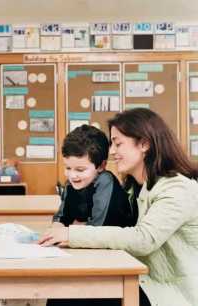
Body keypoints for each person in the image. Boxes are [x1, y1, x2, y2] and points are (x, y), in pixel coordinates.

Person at [39, 108, 198, 306]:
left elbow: (143, 239)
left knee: (69, 298)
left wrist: (72, 234)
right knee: (63, 292)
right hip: (137, 278)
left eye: (118, 143)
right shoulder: (134, 187)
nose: (112, 151)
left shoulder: (177, 187)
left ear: (144, 144)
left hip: (164, 293)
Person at [52, 125, 137, 228]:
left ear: (101, 166)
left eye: (80, 170)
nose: (72, 176)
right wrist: (56, 227)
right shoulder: (72, 184)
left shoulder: (105, 181)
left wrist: (73, 228)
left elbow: (97, 227)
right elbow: (61, 217)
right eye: (68, 168)